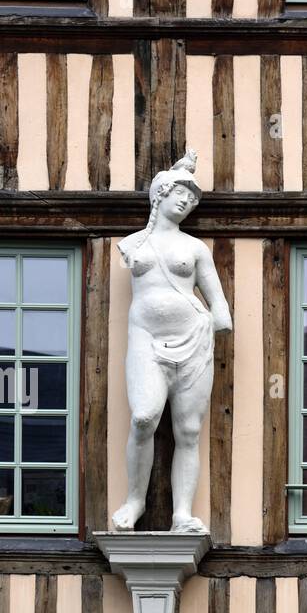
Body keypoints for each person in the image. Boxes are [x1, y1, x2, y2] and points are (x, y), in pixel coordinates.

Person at [112, 150, 232, 534]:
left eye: (193, 199)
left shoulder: (195, 249)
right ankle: (135, 501)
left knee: (189, 431)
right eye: (180, 193)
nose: (186, 201)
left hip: (193, 342)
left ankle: (182, 514)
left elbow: (220, 310)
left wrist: (205, 328)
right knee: (144, 416)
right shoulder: (132, 244)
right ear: (160, 194)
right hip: (146, 340)